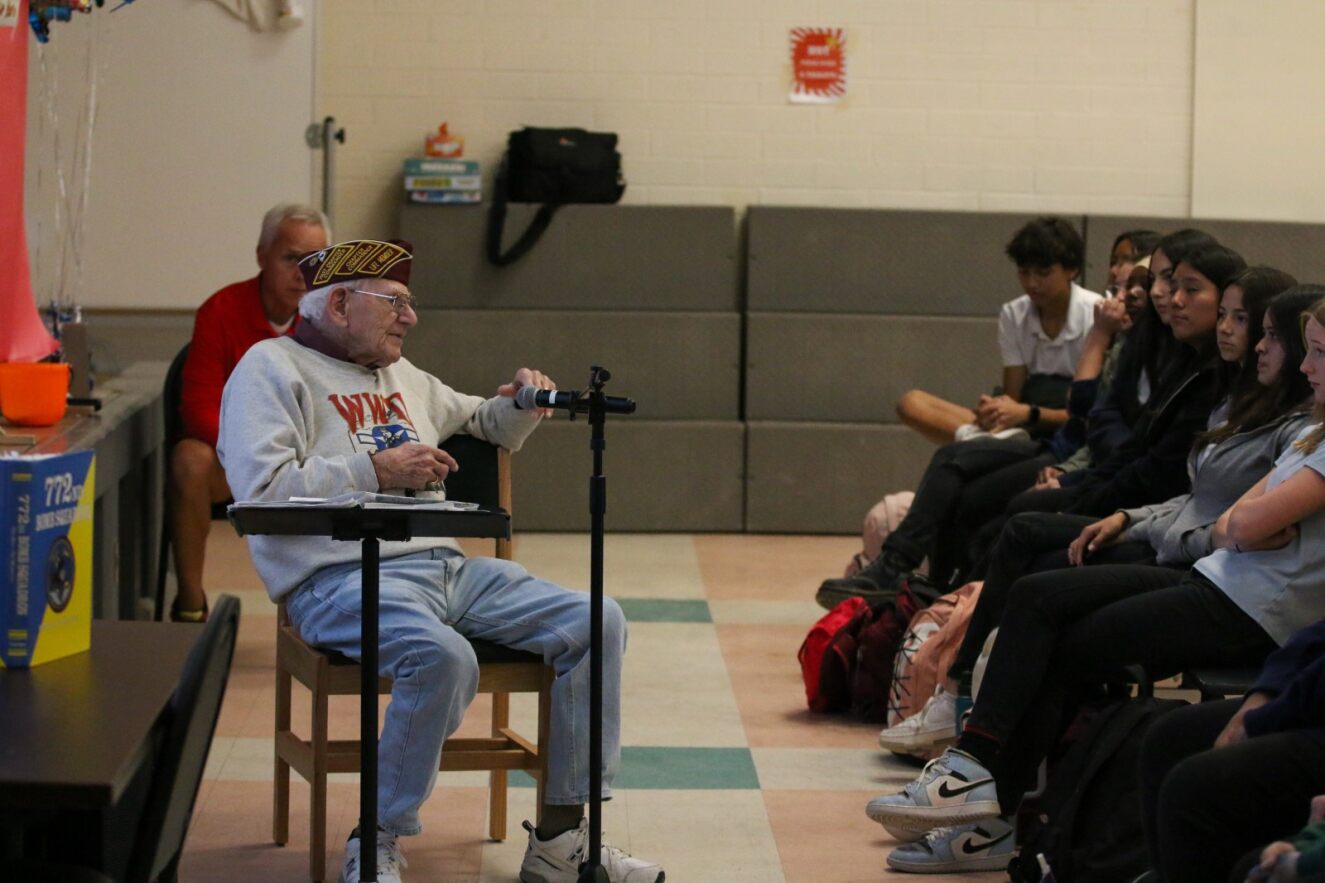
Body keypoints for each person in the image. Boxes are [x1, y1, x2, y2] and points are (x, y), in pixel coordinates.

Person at [216, 239, 663, 883]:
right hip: (337, 576)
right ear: (339, 304)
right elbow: (258, 494)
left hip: (446, 568)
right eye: (395, 302)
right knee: (443, 656)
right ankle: (377, 836)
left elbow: (484, 423)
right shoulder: (270, 369)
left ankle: (562, 843)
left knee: (598, 621)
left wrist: (519, 404)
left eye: (410, 303)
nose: (411, 317)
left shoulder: (406, 378)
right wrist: (371, 469)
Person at [863, 282, 1325, 877]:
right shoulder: (1308, 430)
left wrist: (1233, 524)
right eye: (1307, 349)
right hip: (1216, 577)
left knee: (1064, 637)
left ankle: (990, 801)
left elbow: (1240, 518)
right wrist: (1229, 524)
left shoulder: (1303, 434)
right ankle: (978, 777)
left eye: (1315, 351)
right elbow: (1231, 516)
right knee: (1040, 597)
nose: (1304, 363)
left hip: (1250, 608)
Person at [168, 203, 329, 622]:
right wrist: (255, 455)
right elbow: (198, 408)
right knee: (189, 459)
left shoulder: (331, 318)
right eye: (291, 258)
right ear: (262, 256)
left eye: (315, 261)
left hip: (302, 461)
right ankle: (190, 607)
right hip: (230, 460)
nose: (303, 273)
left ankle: (326, 609)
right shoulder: (220, 310)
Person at [895, 217, 1102, 445]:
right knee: (911, 402)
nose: (1032, 283)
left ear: (1071, 270)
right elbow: (1013, 395)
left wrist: (1030, 413)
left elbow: (1089, 412)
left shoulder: (1096, 314)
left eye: (1043, 273)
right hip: (1022, 421)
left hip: (1070, 425)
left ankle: (984, 442)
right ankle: (977, 438)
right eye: (1024, 273)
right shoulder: (1014, 313)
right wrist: (996, 410)